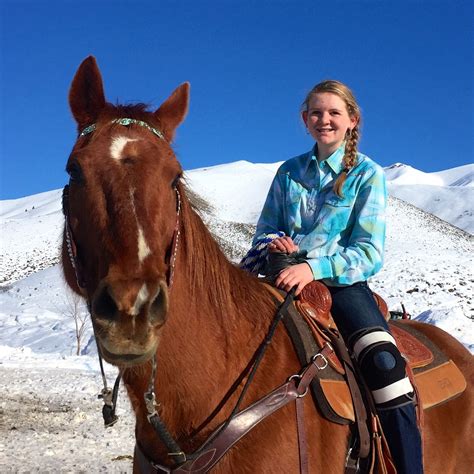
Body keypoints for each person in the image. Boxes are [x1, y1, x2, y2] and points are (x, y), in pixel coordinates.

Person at [242, 80, 423, 473]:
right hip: (279, 279)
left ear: (352, 121)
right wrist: (275, 245)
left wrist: (312, 267)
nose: (324, 119)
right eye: (316, 112)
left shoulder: (367, 174)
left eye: (334, 113)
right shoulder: (288, 172)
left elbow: (368, 252)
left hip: (341, 287)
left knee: (387, 370)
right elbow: (264, 231)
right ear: (304, 120)